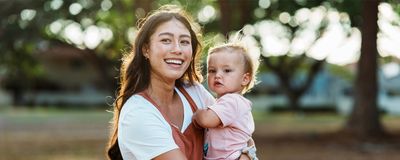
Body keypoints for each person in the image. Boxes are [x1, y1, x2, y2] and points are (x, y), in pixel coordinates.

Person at [106, 5, 253, 160]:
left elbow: (238, 132)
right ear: (146, 49)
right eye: (166, 40)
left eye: (184, 41)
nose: (177, 49)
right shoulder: (137, 113)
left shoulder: (194, 92)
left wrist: (247, 155)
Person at [192, 42, 260, 160]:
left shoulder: (232, 101)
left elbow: (206, 120)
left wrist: (197, 115)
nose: (218, 75)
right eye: (212, 70)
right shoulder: (224, 102)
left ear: (245, 79)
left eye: (227, 71)